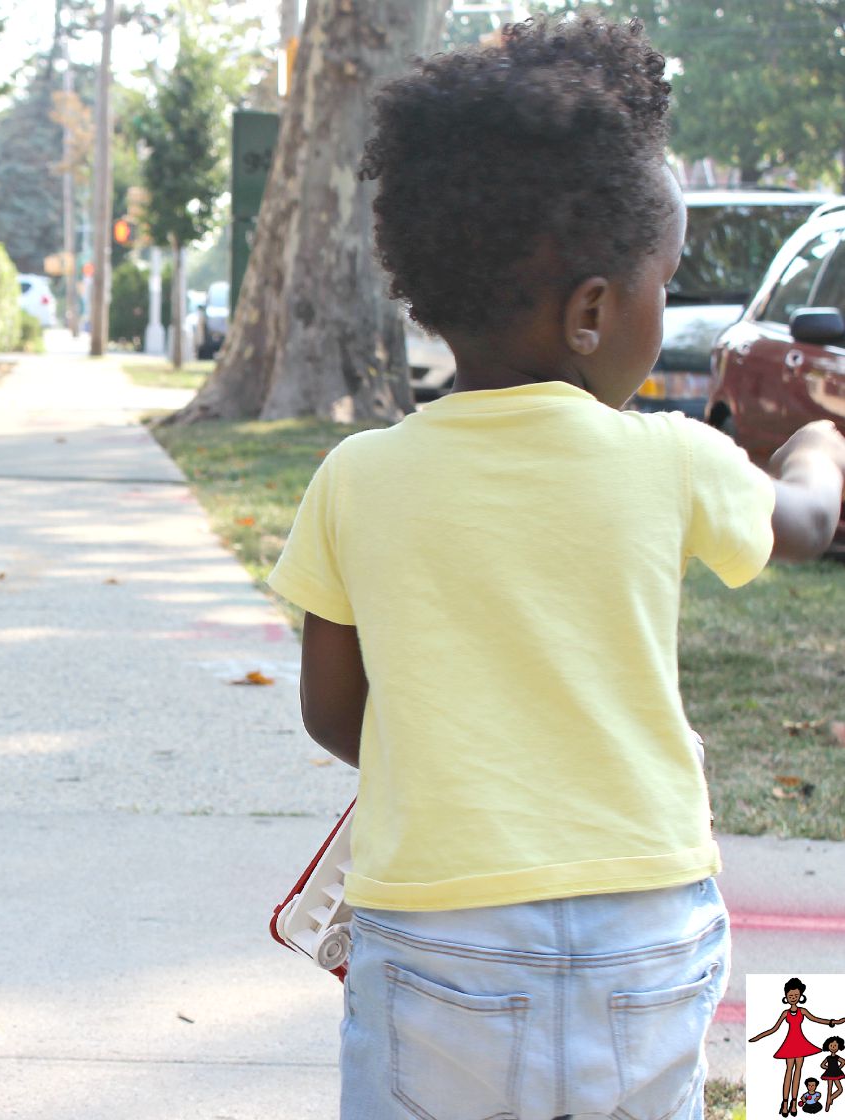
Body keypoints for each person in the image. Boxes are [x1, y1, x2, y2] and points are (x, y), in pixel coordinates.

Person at [266, 14, 845, 1120]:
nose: (662, 310)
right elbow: (807, 523)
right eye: (660, 285)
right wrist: (819, 442)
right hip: (644, 924)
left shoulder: (356, 477)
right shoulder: (673, 457)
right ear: (593, 311)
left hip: (438, 933)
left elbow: (334, 713)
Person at [749, 979, 839, 1116]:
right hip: (790, 1043)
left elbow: (816, 1019)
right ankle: (785, 1102)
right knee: (789, 1071)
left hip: (800, 1043)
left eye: (796, 996)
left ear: (800, 996)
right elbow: (774, 1029)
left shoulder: (802, 1011)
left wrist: (833, 1022)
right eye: (790, 996)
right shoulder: (785, 1013)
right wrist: (759, 1036)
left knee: (797, 1072)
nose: (793, 998)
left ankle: (794, 1102)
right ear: (786, 997)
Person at [822, 1037, 845, 1111]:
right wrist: (833, 1068)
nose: (833, 1047)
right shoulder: (828, 1057)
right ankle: (828, 1104)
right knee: (832, 1089)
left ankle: (830, 1099)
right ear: (828, 1046)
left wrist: (838, 1068)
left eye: (835, 1046)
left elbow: (843, 1061)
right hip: (832, 1073)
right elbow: (822, 1065)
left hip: (832, 1073)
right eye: (831, 1045)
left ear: (839, 1046)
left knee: (837, 1089)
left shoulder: (836, 1057)